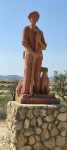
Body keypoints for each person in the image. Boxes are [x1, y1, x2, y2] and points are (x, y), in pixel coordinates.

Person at [22, 11, 47, 98]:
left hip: (39, 56)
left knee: (37, 73)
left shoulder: (40, 32)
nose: (35, 18)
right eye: (33, 16)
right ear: (30, 18)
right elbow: (24, 42)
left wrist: (39, 40)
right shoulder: (26, 29)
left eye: (37, 16)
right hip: (30, 54)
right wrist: (33, 53)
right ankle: (26, 91)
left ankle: (36, 92)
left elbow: (44, 47)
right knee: (28, 72)